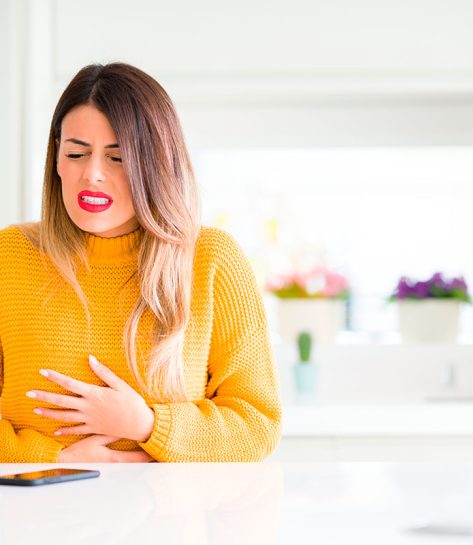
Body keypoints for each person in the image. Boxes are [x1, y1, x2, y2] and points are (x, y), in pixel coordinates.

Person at [0, 63, 282, 462]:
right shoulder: (9, 256)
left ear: (155, 165)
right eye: (76, 153)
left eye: (117, 158)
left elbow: (257, 425)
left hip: (165, 518)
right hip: (32, 516)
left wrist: (146, 426)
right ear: (56, 160)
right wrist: (54, 459)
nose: (92, 174)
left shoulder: (212, 260)